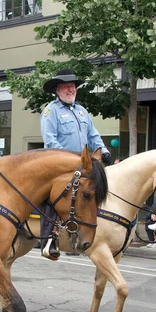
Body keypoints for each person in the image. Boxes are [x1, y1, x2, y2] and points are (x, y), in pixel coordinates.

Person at [38, 69, 112, 259]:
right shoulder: (50, 111)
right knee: (51, 197)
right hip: (60, 165)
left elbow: (93, 135)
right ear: (57, 90)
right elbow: (50, 141)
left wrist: (103, 150)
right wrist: (72, 159)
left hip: (83, 165)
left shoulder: (81, 111)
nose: (70, 89)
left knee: (92, 193)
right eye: (66, 86)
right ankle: (47, 240)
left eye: (72, 86)